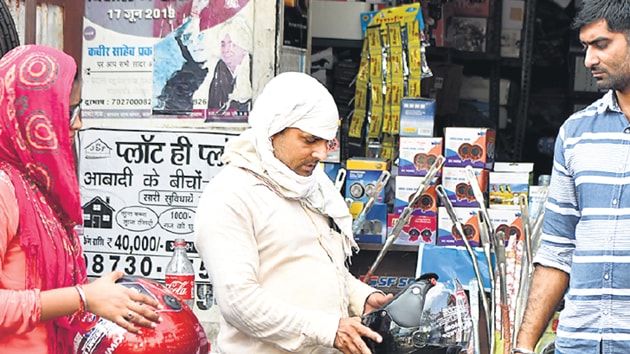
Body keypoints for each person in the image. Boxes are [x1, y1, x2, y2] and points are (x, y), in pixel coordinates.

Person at [194, 72, 393, 353]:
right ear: (273, 130)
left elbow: (317, 266)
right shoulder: (231, 194)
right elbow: (239, 302)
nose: (321, 153)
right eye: (309, 140)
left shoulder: (312, 187)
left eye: (327, 142)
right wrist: (327, 329)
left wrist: (361, 298)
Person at [0, 44, 162, 353]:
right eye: (69, 111)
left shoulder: (40, 188)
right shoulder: (4, 189)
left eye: (79, 109)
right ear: (33, 113)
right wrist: (83, 297)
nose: (78, 124)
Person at [514, 1, 630, 353]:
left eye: (601, 44)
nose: (589, 59)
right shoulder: (577, 133)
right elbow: (557, 250)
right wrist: (523, 346)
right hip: (579, 343)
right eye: (585, 46)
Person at [207, 16, 252, 116]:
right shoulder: (220, 68)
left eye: (232, 45)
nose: (226, 50)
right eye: (223, 44)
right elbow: (213, 110)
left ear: (244, 48)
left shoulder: (254, 68)